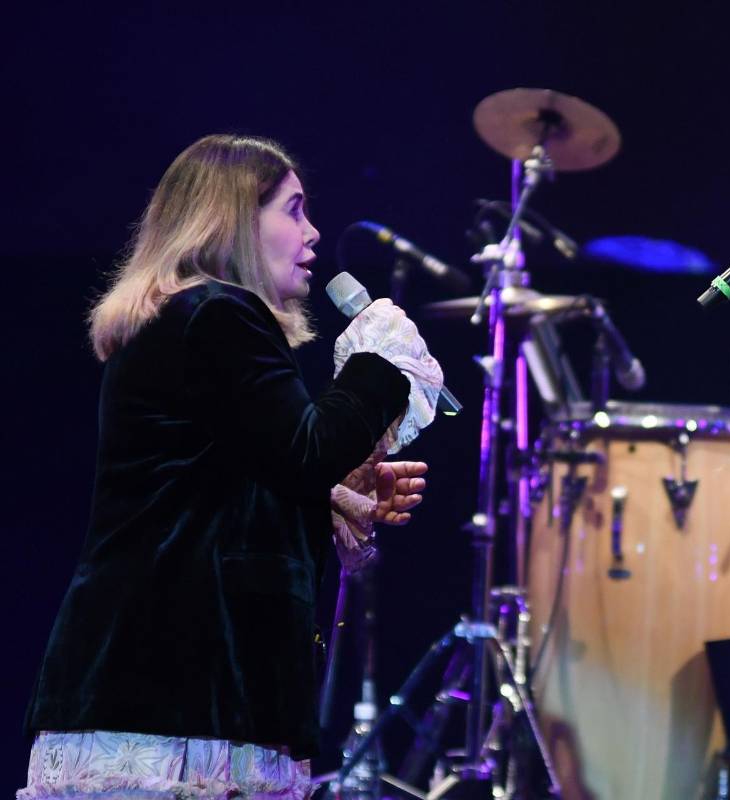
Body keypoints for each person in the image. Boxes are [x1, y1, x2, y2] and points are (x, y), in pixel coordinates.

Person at [21, 134, 440, 799]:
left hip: (168, 695)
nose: (313, 231)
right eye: (293, 209)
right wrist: (380, 365)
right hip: (174, 699)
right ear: (234, 219)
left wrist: (332, 493)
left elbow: (228, 482)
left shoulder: (190, 319)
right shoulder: (218, 311)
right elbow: (304, 450)